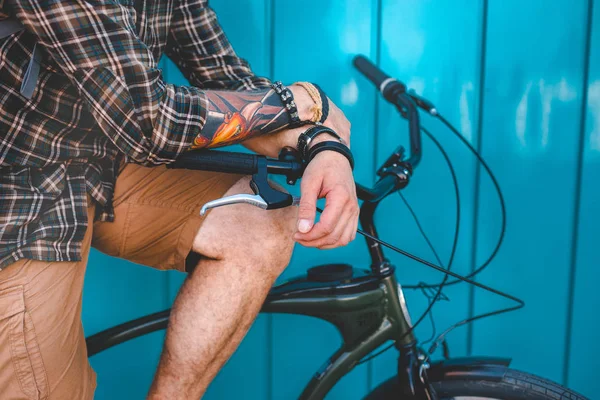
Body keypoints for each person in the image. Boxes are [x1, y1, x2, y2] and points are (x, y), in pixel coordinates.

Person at [0, 0, 358, 399]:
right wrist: (303, 102)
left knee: (260, 225)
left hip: (104, 161)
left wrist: (322, 144)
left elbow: (225, 78)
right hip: (21, 190)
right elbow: (148, 122)